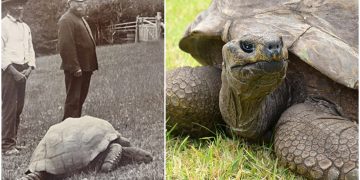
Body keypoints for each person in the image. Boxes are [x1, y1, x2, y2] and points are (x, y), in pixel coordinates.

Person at [1, 0, 36, 155]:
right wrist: (13, 71)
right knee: (9, 107)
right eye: (16, 4)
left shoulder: (25, 27)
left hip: (22, 69)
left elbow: (30, 48)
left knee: (18, 107)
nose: (20, 7)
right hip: (8, 70)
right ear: (8, 7)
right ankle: (6, 145)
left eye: (21, 4)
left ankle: (12, 141)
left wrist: (30, 67)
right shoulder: (3, 25)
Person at [58, 0, 98, 121]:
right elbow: (65, 45)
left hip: (86, 66)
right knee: (73, 102)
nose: (81, 4)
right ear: (69, 3)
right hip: (76, 69)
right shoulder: (66, 20)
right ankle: (67, 131)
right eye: (77, 2)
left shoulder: (79, 18)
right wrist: (75, 67)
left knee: (79, 100)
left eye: (83, 2)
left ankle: (75, 128)